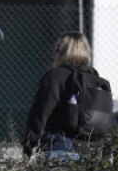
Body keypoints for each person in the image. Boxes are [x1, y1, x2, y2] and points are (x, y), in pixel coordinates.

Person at [22, 31, 92, 161]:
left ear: (65, 51)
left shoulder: (54, 76)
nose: (54, 52)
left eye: (57, 48)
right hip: (89, 153)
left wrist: (28, 146)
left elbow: (40, 115)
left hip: (59, 149)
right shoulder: (94, 77)